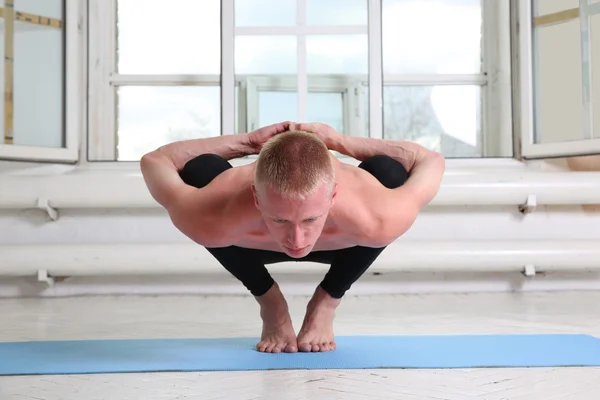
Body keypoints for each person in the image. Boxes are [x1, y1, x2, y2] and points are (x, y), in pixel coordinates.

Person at [140, 121, 445, 354]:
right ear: (256, 199)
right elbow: (155, 160)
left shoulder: (377, 214)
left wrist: (340, 142)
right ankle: (271, 303)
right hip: (249, 244)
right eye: (280, 219)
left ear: (333, 196)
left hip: (344, 246)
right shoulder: (211, 214)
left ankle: (325, 304)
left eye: (310, 219)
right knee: (201, 170)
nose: (297, 239)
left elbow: (430, 160)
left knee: (388, 170)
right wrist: (245, 143)